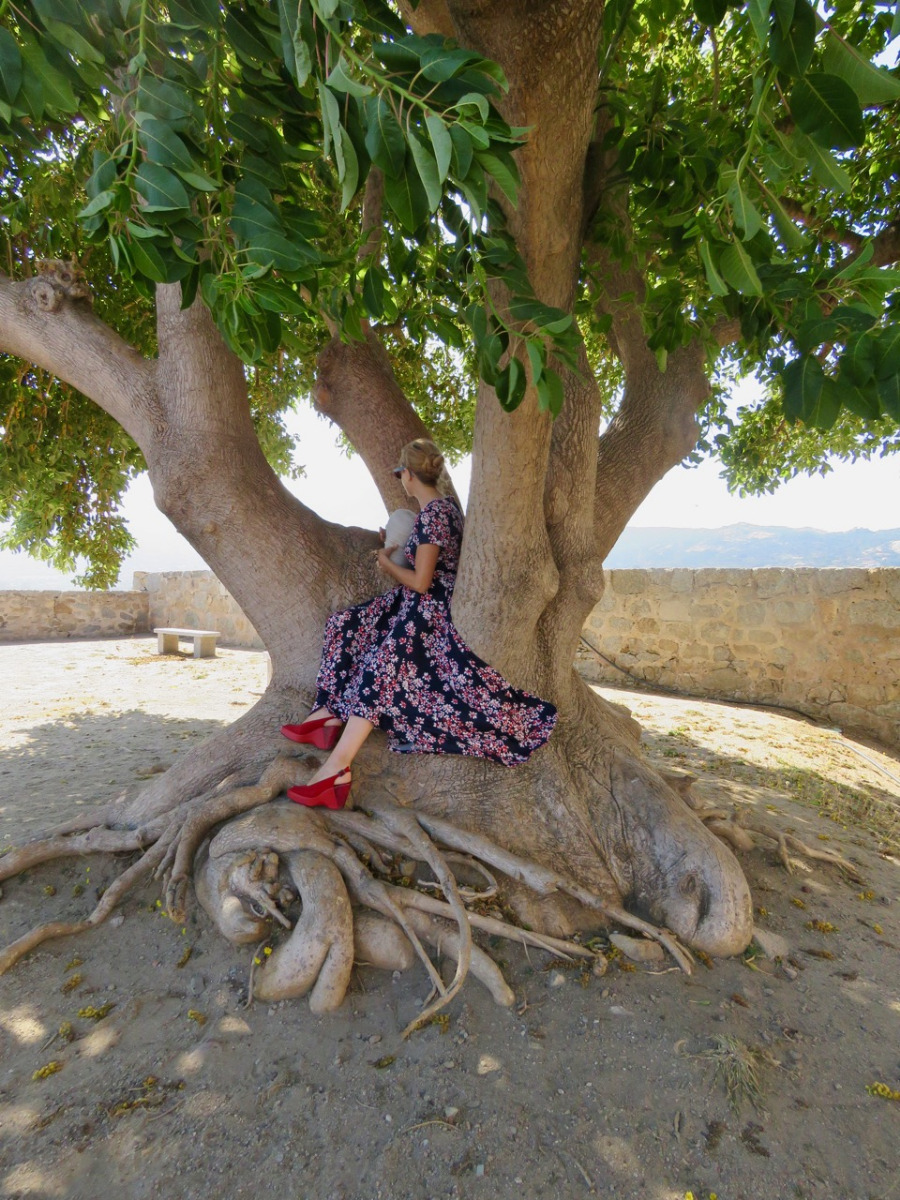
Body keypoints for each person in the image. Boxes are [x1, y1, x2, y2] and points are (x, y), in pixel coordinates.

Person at [281, 438, 557, 809]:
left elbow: (422, 581)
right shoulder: (444, 512)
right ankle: (326, 714)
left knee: (380, 669)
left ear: (408, 475)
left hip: (427, 608)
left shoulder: (434, 516)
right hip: (413, 603)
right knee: (347, 623)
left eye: (400, 474)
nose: (400, 480)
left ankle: (336, 770)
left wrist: (386, 562)